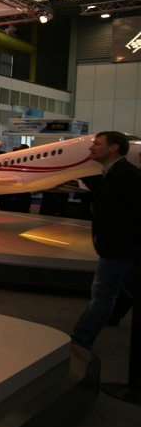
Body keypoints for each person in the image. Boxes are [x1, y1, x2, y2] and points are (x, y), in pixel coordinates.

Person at [70, 131, 141, 350]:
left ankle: (80, 342)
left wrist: (122, 244)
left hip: (119, 249)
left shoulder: (125, 175)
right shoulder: (114, 173)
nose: (92, 147)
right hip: (119, 247)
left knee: (102, 295)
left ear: (113, 148)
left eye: (97, 144)